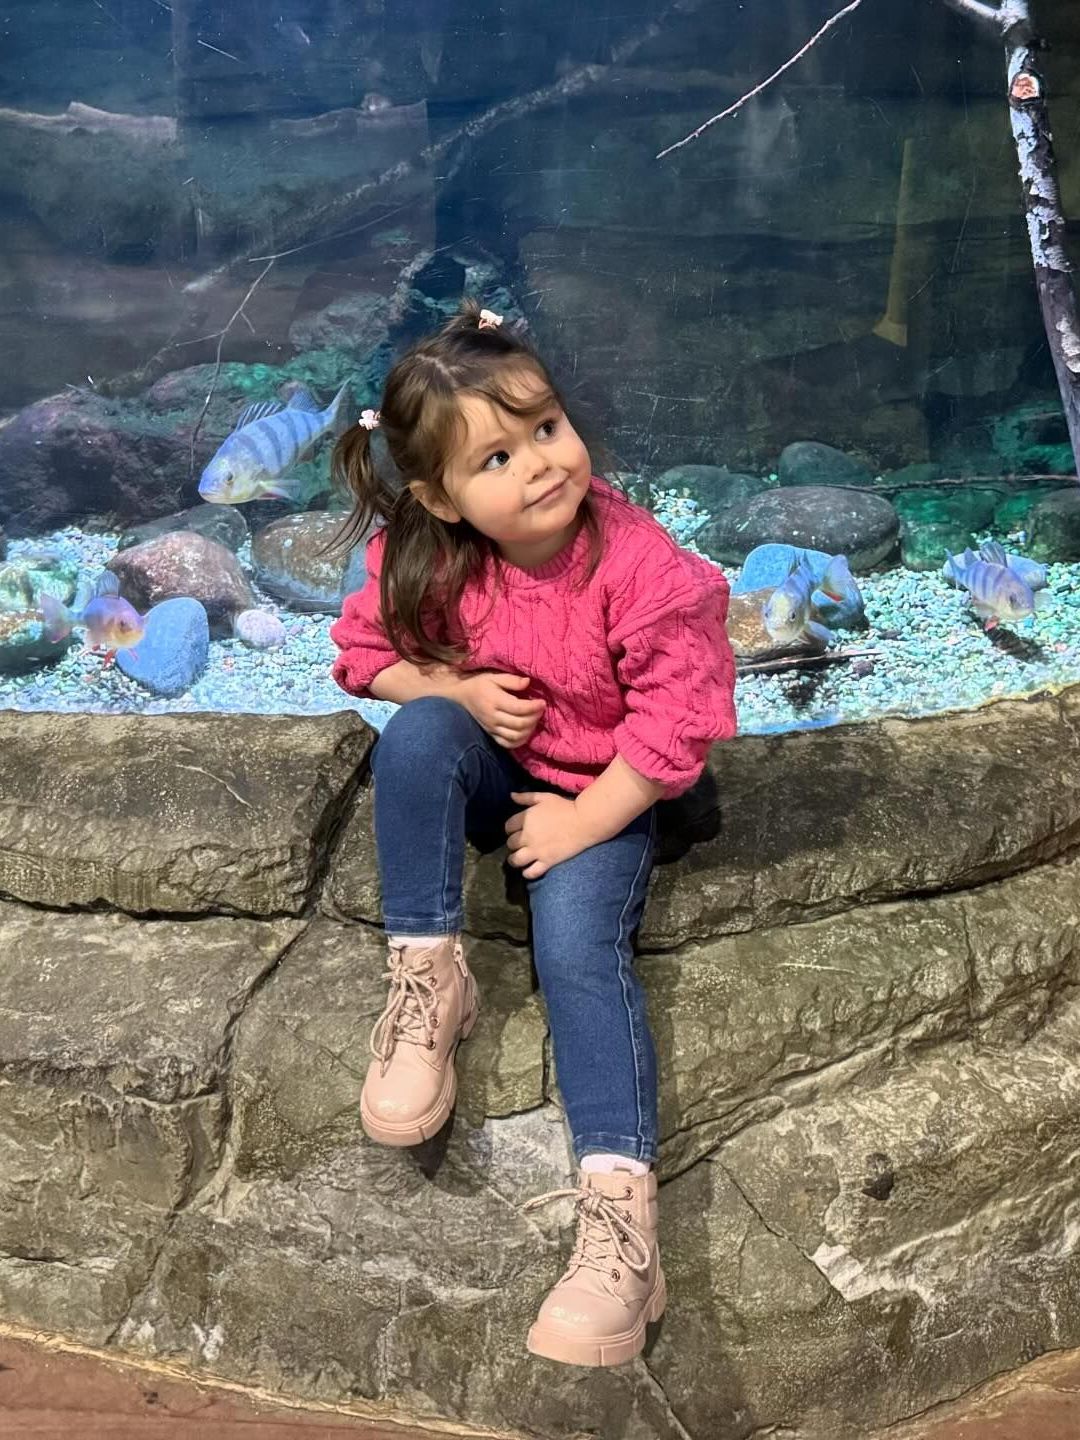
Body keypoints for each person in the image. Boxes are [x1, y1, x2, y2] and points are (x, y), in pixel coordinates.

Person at [329, 299, 737, 1368]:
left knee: (573, 950)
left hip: (607, 788)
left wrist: (582, 820)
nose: (543, 465)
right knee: (417, 735)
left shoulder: (638, 564)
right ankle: (430, 978)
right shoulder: (426, 553)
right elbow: (362, 658)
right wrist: (454, 687)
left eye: (547, 428)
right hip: (498, 764)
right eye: (499, 456)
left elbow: (675, 727)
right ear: (441, 499)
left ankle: (619, 1231)